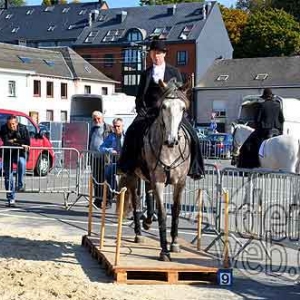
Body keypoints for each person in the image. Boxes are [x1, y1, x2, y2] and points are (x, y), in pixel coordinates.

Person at [118, 38, 205, 179]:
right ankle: (126, 166)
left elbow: (180, 95)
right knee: (131, 132)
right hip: (149, 112)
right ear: (150, 54)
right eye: (153, 53)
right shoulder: (146, 74)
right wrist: (142, 110)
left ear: (164, 54)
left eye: (158, 53)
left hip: (171, 112)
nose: (156, 56)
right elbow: (139, 97)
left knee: (193, 135)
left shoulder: (174, 72)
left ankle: (196, 168)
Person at [237, 88, 285, 168]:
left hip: (264, 131)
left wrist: (257, 127)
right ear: (271, 96)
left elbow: (257, 120)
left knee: (247, 145)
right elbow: (282, 119)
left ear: (265, 97)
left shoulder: (262, 105)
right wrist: (279, 129)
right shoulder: (277, 105)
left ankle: (251, 165)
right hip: (276, 131)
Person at [0, 115, 30, 207]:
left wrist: (14, 141)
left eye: (13, 124)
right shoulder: (4, 128)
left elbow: (27, 142)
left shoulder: (23, 128)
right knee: (8, 176)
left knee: (21, 162)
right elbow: (6, 141)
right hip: (7, 153)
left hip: (19, 153)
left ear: (17, 123)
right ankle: (11, 198)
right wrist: (20, 143)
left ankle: (20, 184)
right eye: (9, 124)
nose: (11, 126)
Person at [88, 111, 113, 208]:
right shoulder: (93, 129)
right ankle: (98, 200)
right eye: (94, 119)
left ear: (102, 118)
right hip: (95, 157)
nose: (97, 120)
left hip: (106, 158)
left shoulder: (108, 128)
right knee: (96, 179)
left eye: (98, 118)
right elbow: (90, 141)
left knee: (106, 180)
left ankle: (108, 200)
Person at [100, 118, 125, 208]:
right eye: (114, 126)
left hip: (126, 162)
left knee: (129, 179)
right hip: (115, 161)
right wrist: (109, 150)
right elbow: (101, 147)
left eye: (118, 126)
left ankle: (129, 203)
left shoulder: (127, 136)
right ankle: (110, 198)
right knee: (108, 172)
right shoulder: (111, 136)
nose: (116, 128)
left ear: (122, 126)